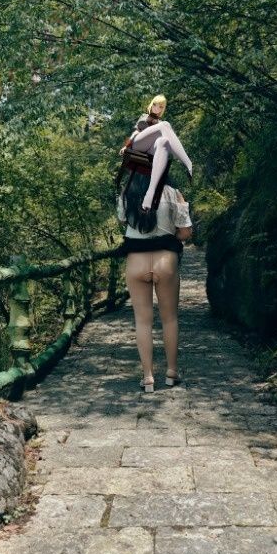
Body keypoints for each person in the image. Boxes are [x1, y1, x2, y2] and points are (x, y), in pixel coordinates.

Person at [116, 165, 193, 393]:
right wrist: (167, 233)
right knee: (169, 319)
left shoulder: (127, 194)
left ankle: (148, 377)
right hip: (165, 261)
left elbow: (124, 222)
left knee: (143, 321)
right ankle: (171, 372)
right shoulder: (173, 193)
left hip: (136, 262)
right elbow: (185, 233)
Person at [120, 95, 193, 212]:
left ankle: (150, 194)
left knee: (164, 141)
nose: (156, 108)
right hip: (139, 144)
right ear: (151, 104)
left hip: (151, 150)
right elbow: (136, 133)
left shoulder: (161, 124)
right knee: (165, 125)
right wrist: (126, 145)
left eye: (160, 106)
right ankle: (188, 163)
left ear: (163, 109)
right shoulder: (145, 117)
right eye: (155, 104)